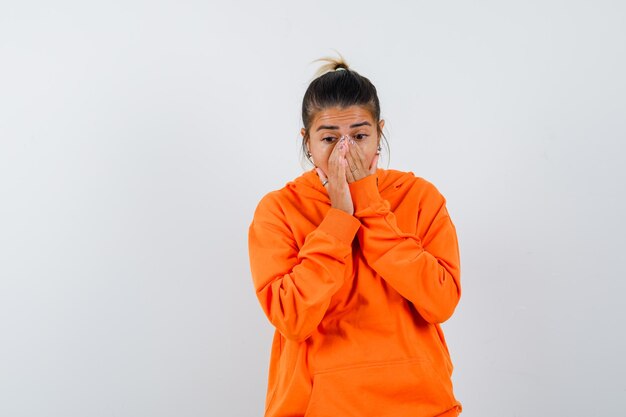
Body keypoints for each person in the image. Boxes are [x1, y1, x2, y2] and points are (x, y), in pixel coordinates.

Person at [248, 56, 462, 417]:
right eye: (329, 138)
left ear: (379, 133)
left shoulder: (420, 197)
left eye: (359, 136)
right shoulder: (279, 209)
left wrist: (369, 204)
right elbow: (293, 319)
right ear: (307, 142)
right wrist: (339, 217)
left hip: (420, 405)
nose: (345, 151)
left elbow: (441, 302)